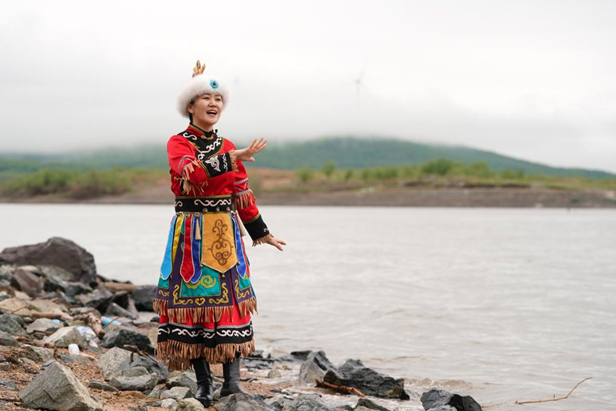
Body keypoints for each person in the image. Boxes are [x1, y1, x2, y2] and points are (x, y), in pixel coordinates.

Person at [153, 60, 286, 407]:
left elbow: (242, 193)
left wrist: (262, 232)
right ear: (190, 106)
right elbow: (192, 175)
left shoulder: (229, 145)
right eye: (206, 97)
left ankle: (232, 383)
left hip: (226, 233)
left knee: (232, 303)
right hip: (191, 236)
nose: (214, 104)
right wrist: (232, 156)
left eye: (219, 98)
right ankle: (203, 385)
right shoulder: (178, 143)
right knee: (195, 307)